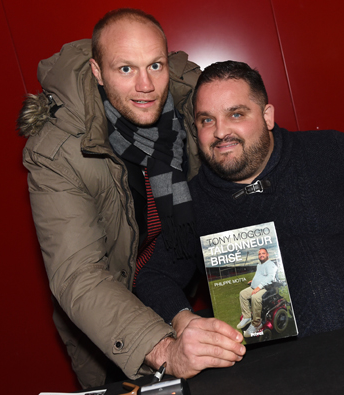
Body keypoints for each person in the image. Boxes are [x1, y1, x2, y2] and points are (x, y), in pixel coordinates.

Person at [137, 60, 344, 339]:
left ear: (267, 116)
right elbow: (155, 278)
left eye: (236, 114)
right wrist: (183, 321)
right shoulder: (190, 203)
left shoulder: (329, 151)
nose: (221, 132)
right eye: (207, 120)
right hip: (285, 375)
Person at [17, 9, 244, 389]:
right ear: (97, 72)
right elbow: (78, 276)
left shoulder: (191, 107)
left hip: (175, 294)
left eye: (155, 65)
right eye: (125, 69)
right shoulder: (57, 153)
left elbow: (245, 158)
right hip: (106, 323)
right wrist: (164, 349)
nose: (146, 85)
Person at [237, 248, 278, 336]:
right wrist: (254, 281)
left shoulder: (270, 264)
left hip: (266, 287)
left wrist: (258, 287)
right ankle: (247, 317)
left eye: (263, 253)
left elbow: (270, 278)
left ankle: (256, 324)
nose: (261, 255)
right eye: (259, 254)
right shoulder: (259, 265)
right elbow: (259, 275)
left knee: (255, 297)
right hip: (256, 286)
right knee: (242, 294)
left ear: (267, 254)